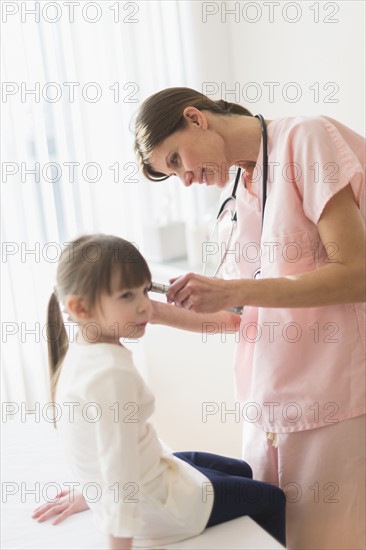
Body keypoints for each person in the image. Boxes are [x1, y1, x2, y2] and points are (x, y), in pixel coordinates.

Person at [133, 87, 366, 550]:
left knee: (327, 540)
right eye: (172, 173)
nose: (186, 179)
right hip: (266, 403)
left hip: (334, 398)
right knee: (265, 540)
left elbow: (357, 274)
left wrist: (233, 289)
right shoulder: (238, 194)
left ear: (195, 118)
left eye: (176, 160)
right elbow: (242, 317)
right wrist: (152, 312)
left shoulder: (305, 138)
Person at [32, 234, 286, 550]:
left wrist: (89, 493)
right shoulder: (112, 374)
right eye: (126, 296)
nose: (144, 306)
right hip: (157, 511)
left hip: (152, 473)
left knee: (241, 469)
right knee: (272, 499)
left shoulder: (83, 349)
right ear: (80, 308)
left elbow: (95, 444)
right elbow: (119, 475)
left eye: (143, 291)